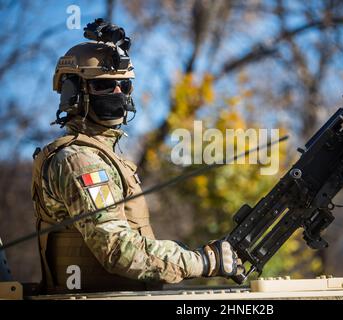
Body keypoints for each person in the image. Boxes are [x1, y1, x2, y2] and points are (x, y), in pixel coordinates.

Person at [30, 20, 242, 294]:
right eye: (104, 86)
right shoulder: (79, 160)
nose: (118, 93)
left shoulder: (104, 155)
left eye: (123, 85)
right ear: (74, 92)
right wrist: (200, 262)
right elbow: (118, 249)